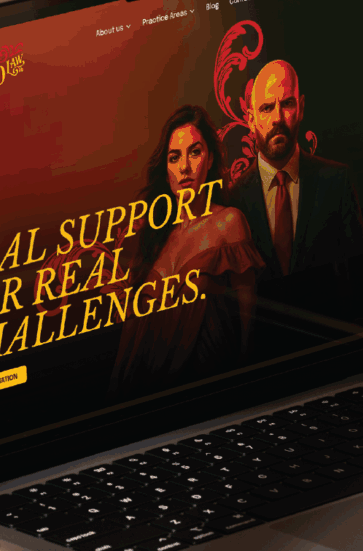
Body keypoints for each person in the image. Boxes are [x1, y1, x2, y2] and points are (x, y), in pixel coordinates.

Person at [111, 105, 265, 387]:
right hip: (142, 396)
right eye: (174, 157)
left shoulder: (228, 224)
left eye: (195, 152)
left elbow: (249, 333)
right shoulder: (153, 240)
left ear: (209, 160)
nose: (184, 167)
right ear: (165, 169)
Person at [224, 59, 363, 280]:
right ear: (251, 120)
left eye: (287, 104)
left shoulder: (337, 182)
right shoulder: (233, 203)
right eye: (267, 108)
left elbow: (360, 278)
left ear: (301, 108)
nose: (277, 118)